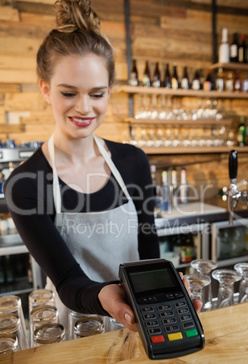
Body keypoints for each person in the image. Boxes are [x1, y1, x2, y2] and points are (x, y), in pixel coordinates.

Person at [4, 0, 201, 332]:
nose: (84, 108)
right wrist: (109, 298)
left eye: (97, 94)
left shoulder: (133, 161)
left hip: (145, 316)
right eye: (69, 92)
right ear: (45, 89)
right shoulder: (25, 184)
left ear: (110, 91)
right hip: (79, 327)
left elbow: (148, 249)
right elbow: (67, 281)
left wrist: (165, 288)